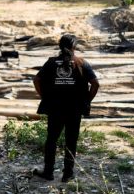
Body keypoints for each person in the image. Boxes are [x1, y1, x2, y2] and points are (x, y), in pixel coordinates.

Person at [32, 34, 100, 182]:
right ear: (74, 47)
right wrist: (87, 100)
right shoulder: (81, 63)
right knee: (71, 141)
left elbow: (36, 80)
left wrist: (44, 96)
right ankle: (67, 174)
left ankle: (48, 172)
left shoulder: (51, 63)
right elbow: (95, 84)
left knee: (51, 140)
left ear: (59, 46)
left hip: (55, 108)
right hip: (74, 109)